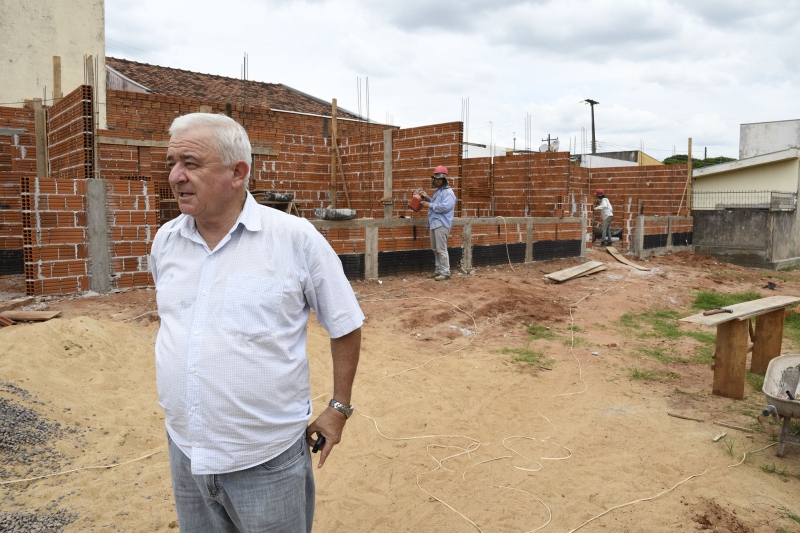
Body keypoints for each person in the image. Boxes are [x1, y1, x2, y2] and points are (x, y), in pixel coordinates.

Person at [150, 112, 364, 533]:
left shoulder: (295, 240)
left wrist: (338, 408)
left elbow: (345, 324)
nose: (175, 176)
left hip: (266, 462)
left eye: (190, 164)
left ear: (238, 172)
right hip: (186, 451)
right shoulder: (167, 241)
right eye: (172, 162)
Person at [418, 165, 457, 281]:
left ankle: (445, 272)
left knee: (441, 249)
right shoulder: (438, 192)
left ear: (444, 180)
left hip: (442, 224)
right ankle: (438, 271)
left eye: (440, 179)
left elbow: (445, 207)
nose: (437, 181)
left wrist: (429, 204)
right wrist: (427, 198)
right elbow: (437, 204)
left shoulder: (448, 193)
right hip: (434, 223)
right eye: (436, 179)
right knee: (435, 249)